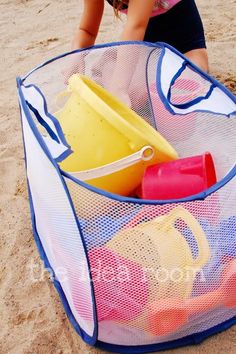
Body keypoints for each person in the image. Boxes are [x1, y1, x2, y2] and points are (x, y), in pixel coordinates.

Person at [72, 0, 208, 72]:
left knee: (191, 77)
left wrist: (119, 89)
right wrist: (75, 58)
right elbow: (87, 31)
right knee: (106, 69)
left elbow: (135, 26)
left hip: (185, 45)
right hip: (144, 45)